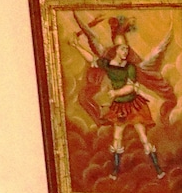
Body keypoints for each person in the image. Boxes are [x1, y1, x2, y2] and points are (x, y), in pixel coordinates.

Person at [69, 16, 169, 179]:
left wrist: (116, 93)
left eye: (126, 49)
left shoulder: (130, 67)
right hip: (119, 107)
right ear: (116, 50)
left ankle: (158, 169)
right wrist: (76, 45)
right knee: (117, 137)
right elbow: (92, 59)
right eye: (123, 49)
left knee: (143, 137)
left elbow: (131, 87)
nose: (126, 52)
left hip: (134, 105)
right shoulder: (108, 65)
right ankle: (115, 171)